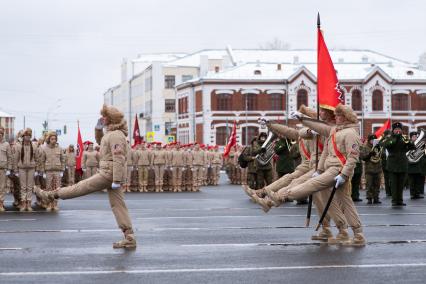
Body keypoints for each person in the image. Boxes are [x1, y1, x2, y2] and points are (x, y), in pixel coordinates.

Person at [35, 105, 136, 249]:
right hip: (111, 172)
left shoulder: (115, 135)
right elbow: (102, 142)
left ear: (111, 119)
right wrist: (98, 129)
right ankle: (130, 237)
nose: (103, 118)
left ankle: (50, 195)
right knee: (118, 206)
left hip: (109, 173)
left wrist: (117, 180)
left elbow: (118, 158)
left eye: (105, 116)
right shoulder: (112, 134)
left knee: (81, 187)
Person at [267, 104, 366, 246]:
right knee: (345, 203)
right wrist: (303, 119)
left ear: (345, 118)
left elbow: (353, 157)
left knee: (312, 185)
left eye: (338, 115)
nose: (336, 117)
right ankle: (354, 234)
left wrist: (343, 175)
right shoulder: (334, 130)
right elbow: (323, 142)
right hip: (329, 169)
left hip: (337, 170)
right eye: (336, 115)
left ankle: (281, 196)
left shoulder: (351, 133)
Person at [382, 122, 415, 207]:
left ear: (401, 130)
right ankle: (394, 200)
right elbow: (386, 145)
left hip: (402, 164)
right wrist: (395, 138)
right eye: (396, 129)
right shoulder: (389, 138)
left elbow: (412, 147)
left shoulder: (404, 138)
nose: (398, 131)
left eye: (399, 129)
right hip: (392, 164)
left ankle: (400, 200)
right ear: (393, 130)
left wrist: (410, 143)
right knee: (393, 183)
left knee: (401, 184)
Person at [39, 131, 65, 211]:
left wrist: (62, 170)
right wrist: (42, 172)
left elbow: (63, 159)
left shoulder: (60, 148)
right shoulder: (44, 148)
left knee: (57, 188)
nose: (54, 140)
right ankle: (50, 204)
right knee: (49, 188)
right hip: (48, 171)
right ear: (49, 139)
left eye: (55, 139)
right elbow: (42, 161)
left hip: (57, 171)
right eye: (52, 139)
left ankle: (55, 204)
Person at [14, 128, 39, 211]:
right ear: (23, 136)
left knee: (29, 187)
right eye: (26, 136)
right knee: (23, 187)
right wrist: (15, 170)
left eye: (29, 136)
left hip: (31, 168)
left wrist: (37, 169)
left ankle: (29, 203)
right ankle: (23, 203)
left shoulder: (34, 146)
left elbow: (37, 158)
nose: (28, 137)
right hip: (22, 168)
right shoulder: (19, 146)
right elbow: (16, 158)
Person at [361, 134, 382, 204]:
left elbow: (383, 155)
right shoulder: (365, 147)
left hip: (378, 169)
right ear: (369, 140)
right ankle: (369, 198)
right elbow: (363, 157)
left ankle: (376, 198)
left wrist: (379, 150)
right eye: (371, 140)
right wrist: (370, 154)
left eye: (374, 140)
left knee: (377, 185)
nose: (372, 141)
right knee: (369, 185)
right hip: (369, 169)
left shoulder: (378, 147)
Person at [407, 131, 425, 200]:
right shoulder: (409, 144)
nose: (415, 138)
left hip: (417, 165)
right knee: (412, 181)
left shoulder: (420, 144)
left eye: (416, 136)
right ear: (411, 138)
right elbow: (407, 154)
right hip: (411, 165)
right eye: (413, 137)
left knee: (418, 181)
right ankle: (412, 194)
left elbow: (422, 154)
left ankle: (417, 193)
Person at [0, 127, 13, 212]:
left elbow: (10, 157)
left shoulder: (6, 144)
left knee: (2, 187)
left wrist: (9, 168)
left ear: (3, 135)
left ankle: (1, 203)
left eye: (1, 134)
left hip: (3, 169)